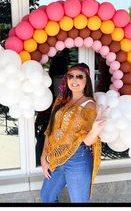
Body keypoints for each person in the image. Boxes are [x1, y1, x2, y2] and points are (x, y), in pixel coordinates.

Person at [40, 63, 106, 203]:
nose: (74, 80)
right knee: (47, 196)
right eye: (71, 76)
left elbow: (87, 141)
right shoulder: (61, 101)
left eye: (79, 76)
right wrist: (44, 156)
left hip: (78, 159)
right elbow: (50, 130)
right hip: (56, 157)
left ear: (86, 80)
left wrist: (94, 131)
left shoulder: (89, 105)